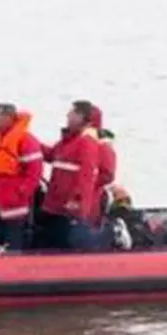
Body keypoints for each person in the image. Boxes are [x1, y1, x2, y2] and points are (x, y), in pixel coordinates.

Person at [37, 100, 101, 249]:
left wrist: (77, 200)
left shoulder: (86, 143)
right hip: (54, 204)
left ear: (81, 116)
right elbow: (51, 154)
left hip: (68, 208)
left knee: (64, 243)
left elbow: (86, 175)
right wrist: (32, 143)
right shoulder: (67, 141)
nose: (67, 116)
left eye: (71, 113)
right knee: (50, 240)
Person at [0, 103, 44, 252]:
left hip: (14, 204)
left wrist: (20, 193)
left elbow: (34, 173)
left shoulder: (26, 141)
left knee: (13, 242)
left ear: (8, 118)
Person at [88, 106, 117, 224]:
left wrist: (84, 182)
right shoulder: (74, 141)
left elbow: (108, 175)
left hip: (90, 200)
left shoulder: (102, 147)